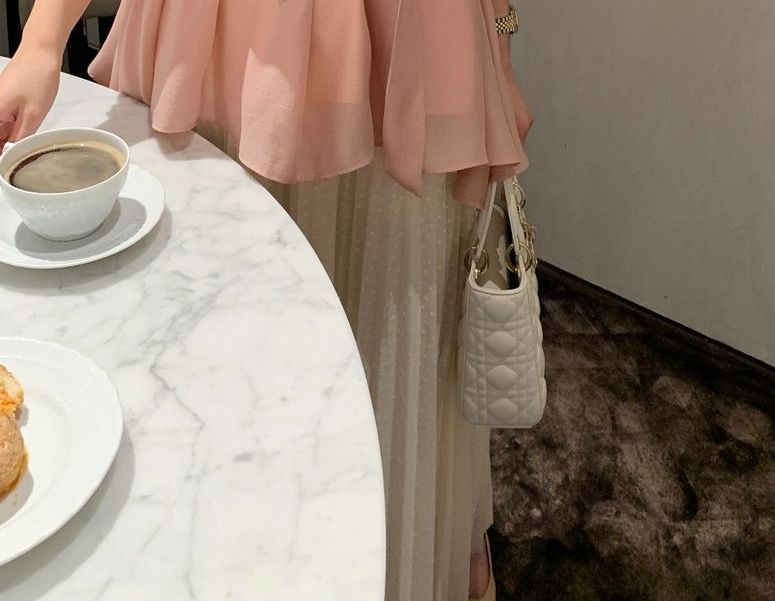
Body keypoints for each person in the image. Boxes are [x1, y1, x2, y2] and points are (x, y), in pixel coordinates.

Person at [0, 1, 532, 599]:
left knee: (390, 341)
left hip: (407, 39)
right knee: (205, 367)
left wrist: (503, 48)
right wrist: (41, 41)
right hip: (226, 41)